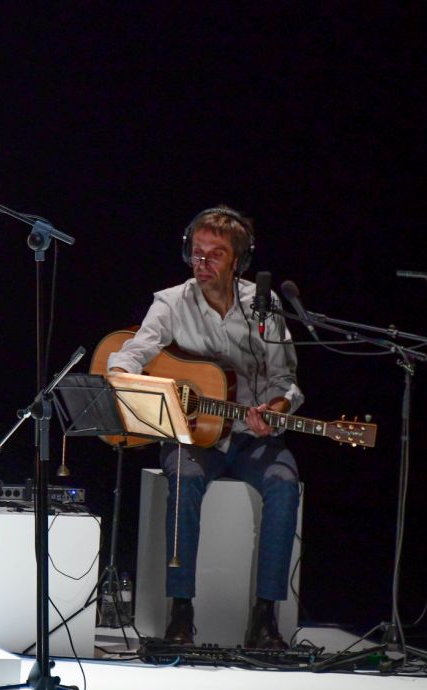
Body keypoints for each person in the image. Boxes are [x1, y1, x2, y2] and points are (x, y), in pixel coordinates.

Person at [106, 205, 302, 648]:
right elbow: (133, 351)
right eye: (197, 252)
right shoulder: (171, 301)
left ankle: (265, 617)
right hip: (195, 438)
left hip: (254, 439)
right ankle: (181, 612)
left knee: (284, 481)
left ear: (239, 261)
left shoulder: (264, 309)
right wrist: (122, 375)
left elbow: (285, 382)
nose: (203, 262)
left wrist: (275, 406)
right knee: (184, 475)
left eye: (215, 254)